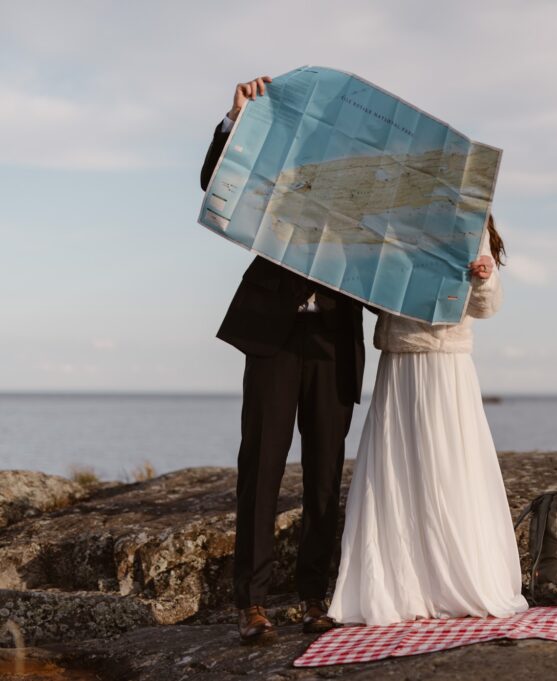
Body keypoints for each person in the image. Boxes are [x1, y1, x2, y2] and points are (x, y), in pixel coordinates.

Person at [199, 76, 366, 645]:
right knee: (261, 470)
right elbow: (217, 182)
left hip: (333, 341)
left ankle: (314, 596)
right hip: (274, 335)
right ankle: (253, 604)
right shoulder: (278, 164)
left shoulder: (369, 188)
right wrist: (236, 120)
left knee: (324, 477)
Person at [327, 214, 529, 625]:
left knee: (450, 467)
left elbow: (487, 306)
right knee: (398, 469)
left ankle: (455, 578)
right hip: (400, 356)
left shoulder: (472, 218)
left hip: (446, 360)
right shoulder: (397, 215)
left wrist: (485, 276)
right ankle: (402, 587)